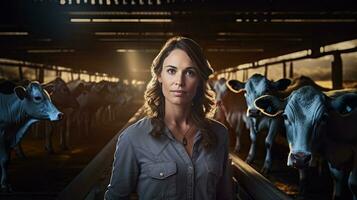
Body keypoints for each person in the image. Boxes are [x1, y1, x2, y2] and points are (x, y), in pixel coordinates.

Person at [104, 36, 232, 200]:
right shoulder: (133, 138)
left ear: (200, 80)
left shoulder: (219, 134)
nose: (179, 81)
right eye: (171, 71)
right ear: (159, 76)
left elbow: (226, 195)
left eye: (190, 72)